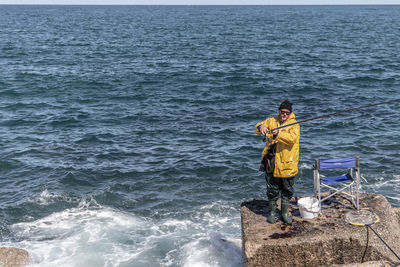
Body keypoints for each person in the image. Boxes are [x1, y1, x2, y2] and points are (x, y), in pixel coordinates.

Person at [254, 100, 300, 224]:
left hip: (287, 163)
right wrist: (261, 127)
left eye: (287, 113)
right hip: (271, 160)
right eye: (282, 112)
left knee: (287, 189)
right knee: (272, 188)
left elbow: (292, 139)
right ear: (278, 111)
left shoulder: (295, 125)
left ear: (290, 113)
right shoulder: (271, 121)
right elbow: (257, 127)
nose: (284, 115)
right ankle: (272, 212)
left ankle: (284, 213)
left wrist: (278, 133)